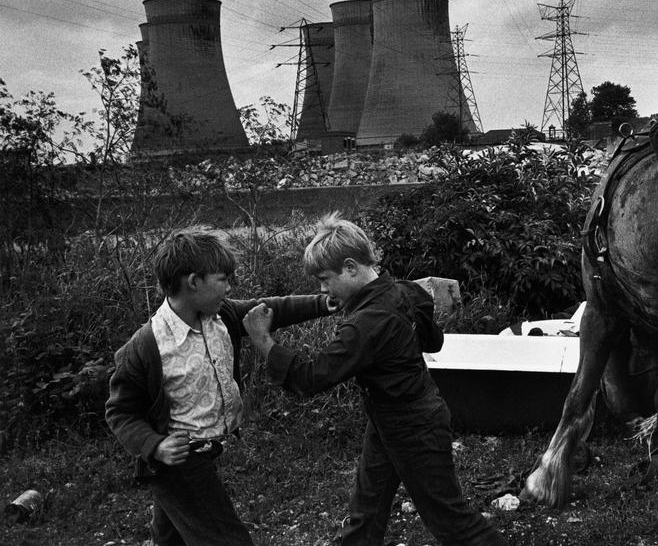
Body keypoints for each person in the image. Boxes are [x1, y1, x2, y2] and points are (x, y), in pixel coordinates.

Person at [242, 212, 507, 546]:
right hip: (394, 417)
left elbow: (310, 378)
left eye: (325, 278)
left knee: (451, 521)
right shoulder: (404, 291)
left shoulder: (368, 323)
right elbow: (433, 340)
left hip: (413, 428)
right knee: (366, 511)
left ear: (351, 267)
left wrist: (263, 341)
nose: (323, 288)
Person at [105, 228, 335, 546]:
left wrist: (326, 302)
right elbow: (120, 411)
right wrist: (154, 445)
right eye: (223, 279)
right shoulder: (147, 347)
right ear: (193, 282)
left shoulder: (220, 315)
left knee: (172, 538)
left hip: (201, 455)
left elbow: (270, 309)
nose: (229, 287)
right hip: (181, 461)